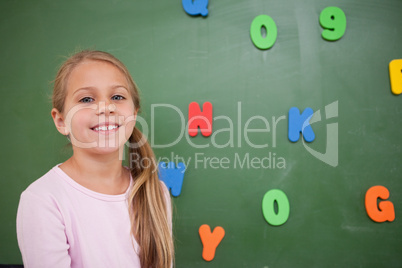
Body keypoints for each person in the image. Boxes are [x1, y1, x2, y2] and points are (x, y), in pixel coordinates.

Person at [16, 50, 174, 268]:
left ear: (134, 113)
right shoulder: (43, 200)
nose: (105, 107)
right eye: (86, 99)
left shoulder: (156, 193)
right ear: (61, 121)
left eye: (117, 97)